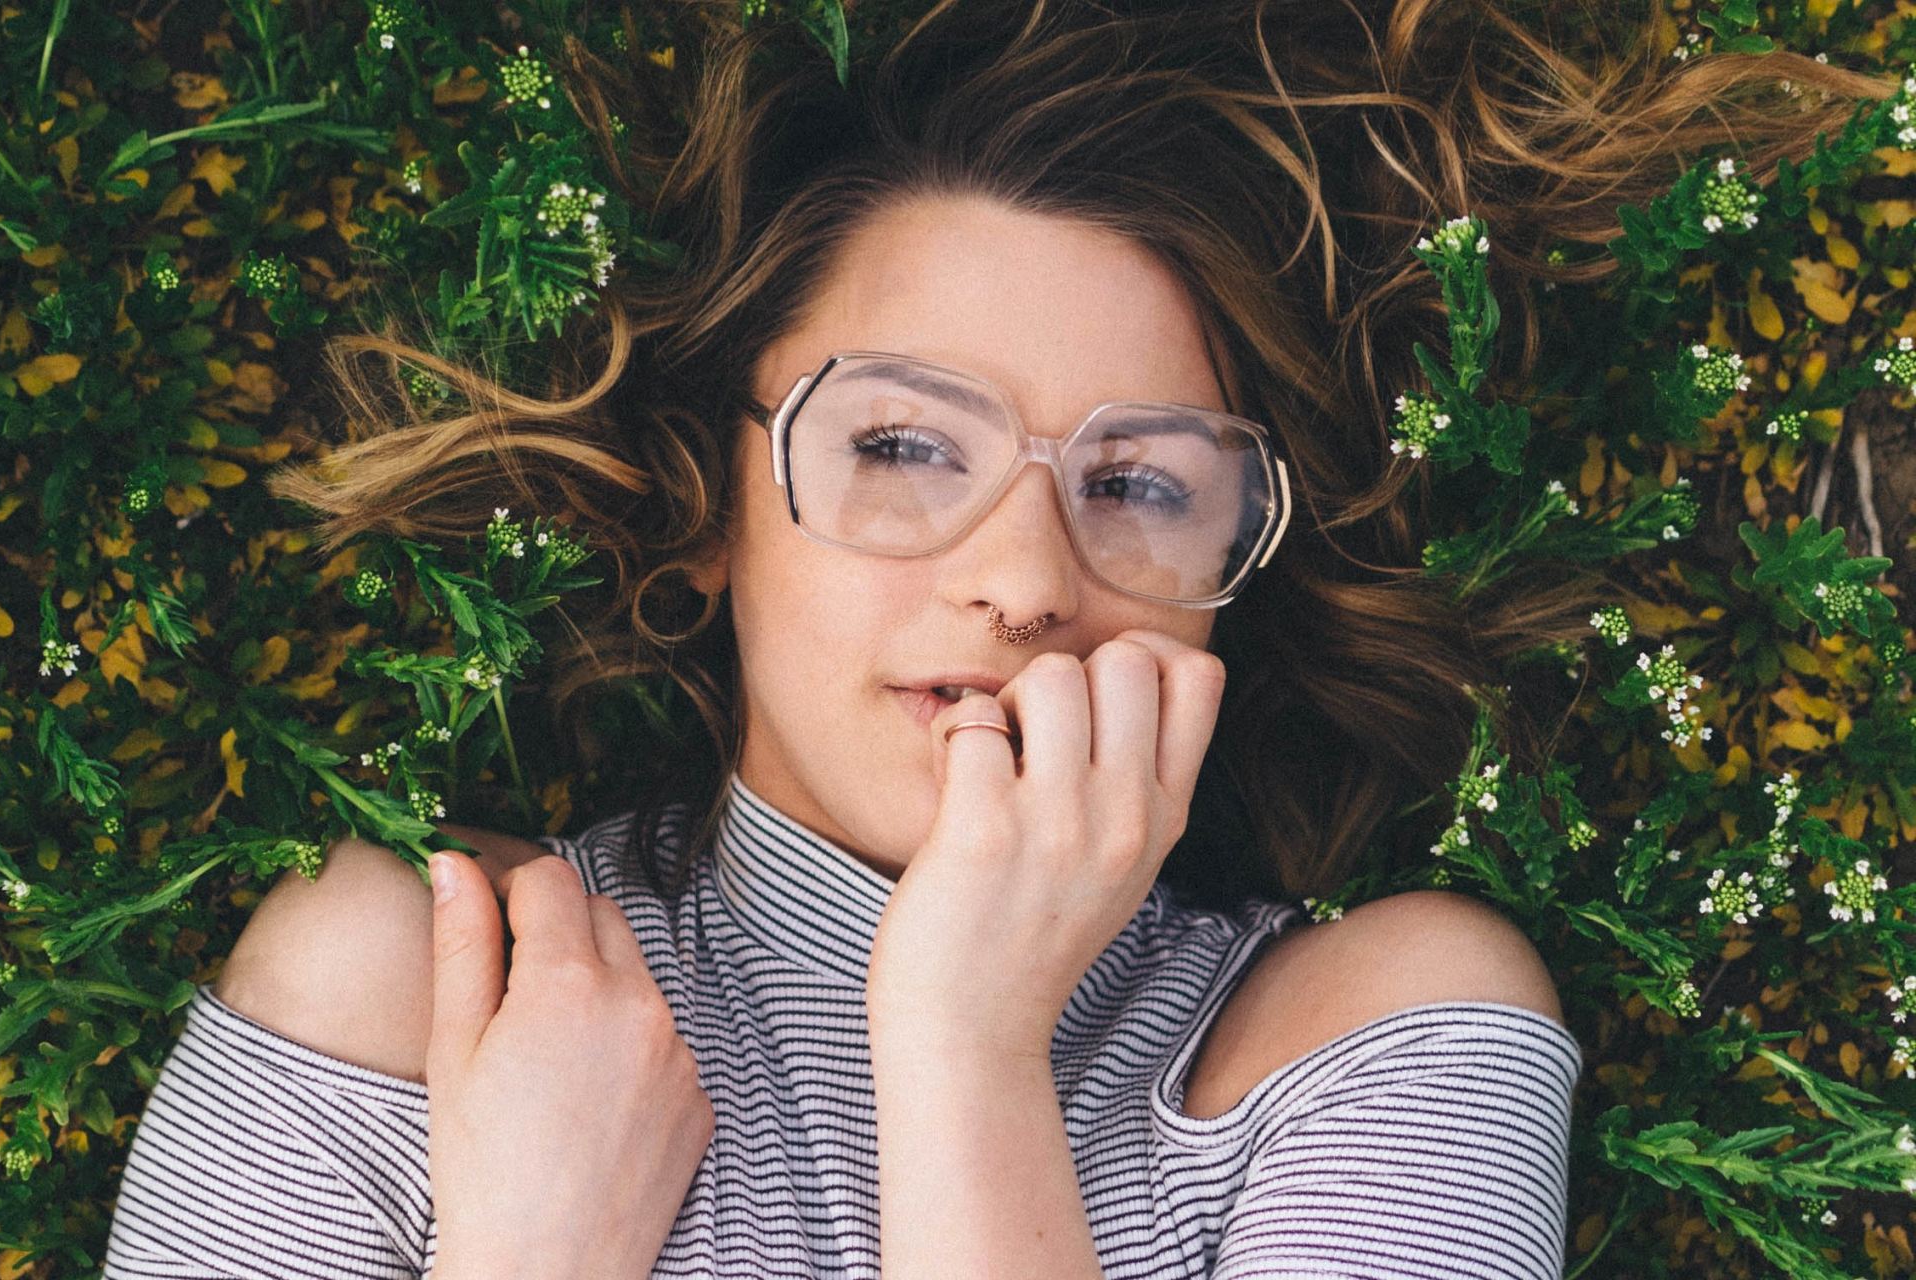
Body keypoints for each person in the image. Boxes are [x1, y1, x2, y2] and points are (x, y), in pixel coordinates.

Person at [101, 1, 1876, 1276]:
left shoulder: (1382, 1036)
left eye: (1144, 485)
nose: (1026, 577)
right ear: (716, 511)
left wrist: (964, 1042)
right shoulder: (416, 987)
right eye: (900, 446)